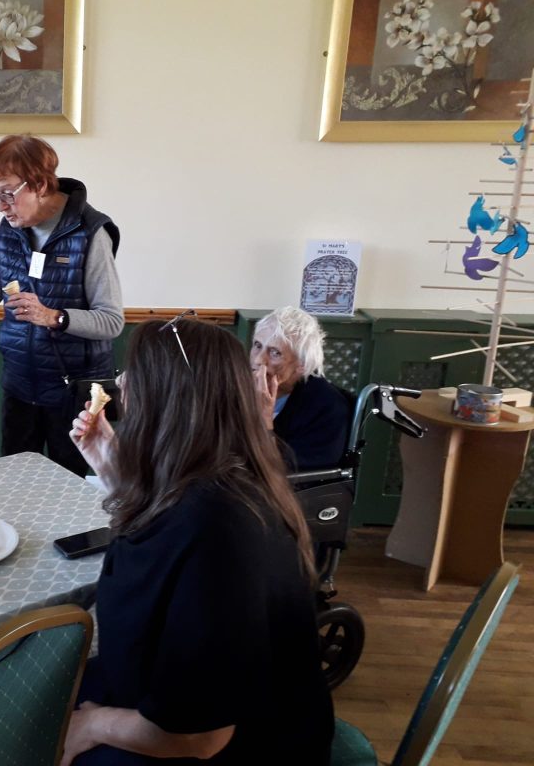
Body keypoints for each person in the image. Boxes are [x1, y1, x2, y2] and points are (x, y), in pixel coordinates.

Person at [63, 318, 333, 765]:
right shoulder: (215, 476)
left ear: (171, 402)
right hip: (176, 703)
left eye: (138, 374)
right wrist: (107, 462)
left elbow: (198, 736)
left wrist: (94, 724)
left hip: (238, 745)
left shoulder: (219, 530)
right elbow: (158, 532)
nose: (123, 383)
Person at [0, 135, 123, 477]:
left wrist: (54, 317)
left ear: (39, 184)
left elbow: (111, 321)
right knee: (14, 483)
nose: (1, 206)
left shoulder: (91, 233)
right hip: (19, 386)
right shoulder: (8, 233)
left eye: (7, 193)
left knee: (69, 491)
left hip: (73, 395)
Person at [251, 306, 351, 471]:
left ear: (302, 365)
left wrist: (264, 418)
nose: (259, 360)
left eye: (275, 353)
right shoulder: (238, 386)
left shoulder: (327, 406)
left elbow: (281, 471)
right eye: (257, 345)